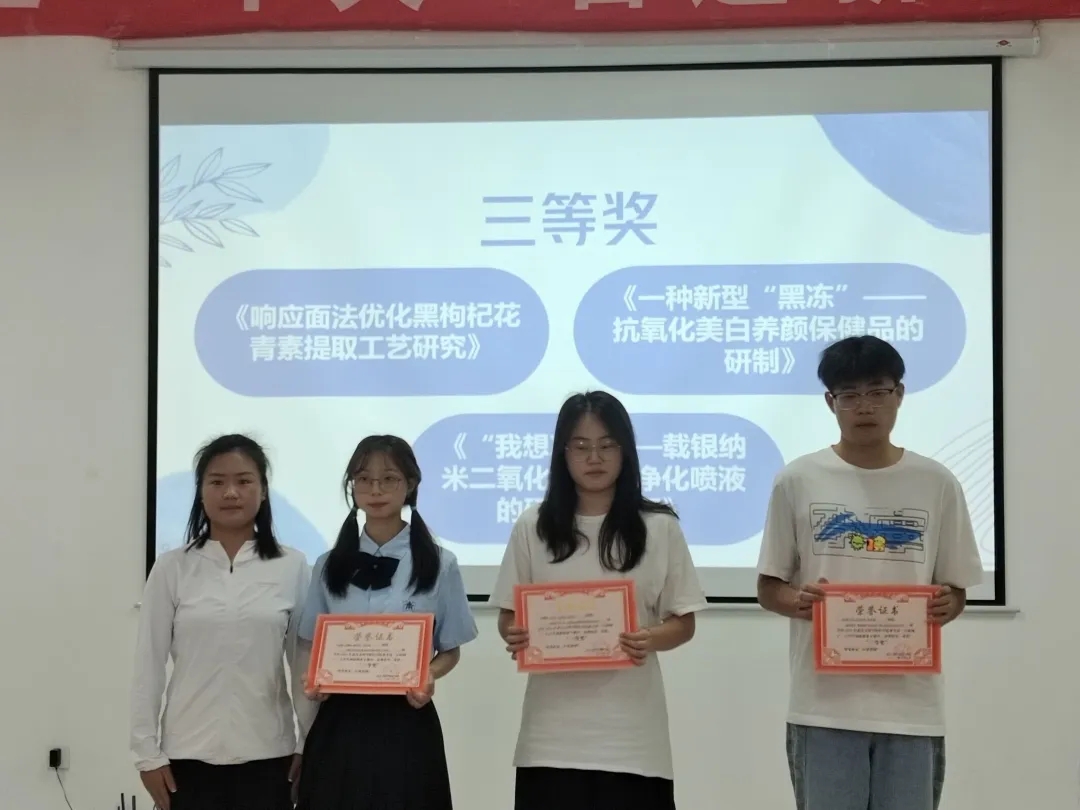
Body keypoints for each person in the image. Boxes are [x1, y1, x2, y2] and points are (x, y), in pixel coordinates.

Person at [756, 336, 984, 810]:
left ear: (899, 395)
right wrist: (798, 601)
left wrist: (950, 603)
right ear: (830, 402)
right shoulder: (797, 479)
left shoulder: (937, 482)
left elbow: (955, 588)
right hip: (823, 706)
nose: (865, 406)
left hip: (912, 707)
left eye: (878, 391)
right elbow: (769, 587)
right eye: (850, 394)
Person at [492, 391, 707, 810]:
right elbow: (508, 615)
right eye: (581, 446)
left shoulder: (659, 526)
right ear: (563, 453)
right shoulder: (532, 526)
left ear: (626, 451)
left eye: (607, 445)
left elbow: (684, 622)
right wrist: (514, 633)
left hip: (633, 739)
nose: (595, 458)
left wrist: (649, 638)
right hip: (550, 737)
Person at [130, 434, 314, 810]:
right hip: (186, 758)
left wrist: (307, 744)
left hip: (270, 756)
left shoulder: (292, 565)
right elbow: (148, 664)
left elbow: (303, 666)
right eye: (217, 481)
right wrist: (146, 754)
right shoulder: (172, 567)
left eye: (244, 481)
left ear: (263, 490)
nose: (231, 492)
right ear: (201, 492)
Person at [294, 435, 478, 810]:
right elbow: (313, 642)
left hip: (407, 721)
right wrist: (315, 678)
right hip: (339, 723)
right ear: (352, 486)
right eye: (364, 479)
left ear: (410, 484)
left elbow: (451, 649)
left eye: (389, 479)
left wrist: (428, 674)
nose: (375, 490)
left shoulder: (440, 563)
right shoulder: (328, 565)